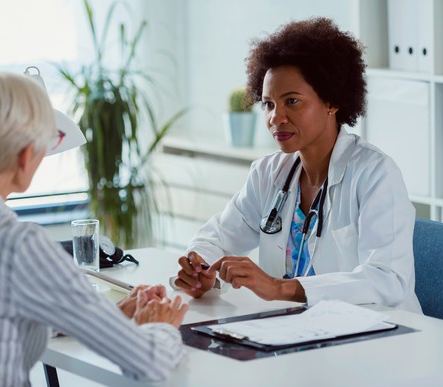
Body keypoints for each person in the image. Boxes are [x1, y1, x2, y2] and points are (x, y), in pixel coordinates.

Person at [0, 72, 188, 386]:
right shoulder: (20, 245)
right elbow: (148, 363)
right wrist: (162, 326)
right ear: (25, 156)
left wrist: (107, 317)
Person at [174, 17, 422, 313]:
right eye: (268, 104)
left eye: (291, 101)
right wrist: (201, 269)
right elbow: (217, 235)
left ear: (331, 101)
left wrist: (280, 287)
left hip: (379, 336)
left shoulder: (375, 174)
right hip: (299, 332)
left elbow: (388, 280)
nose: (276, 118)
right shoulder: (269, 173)